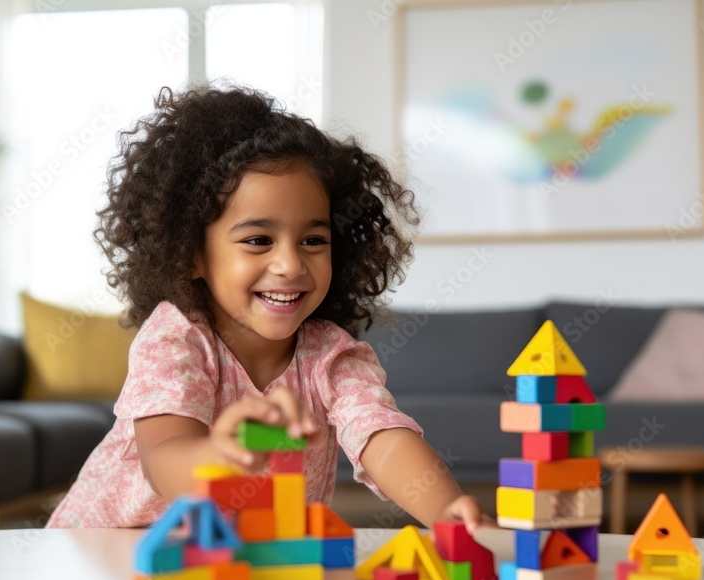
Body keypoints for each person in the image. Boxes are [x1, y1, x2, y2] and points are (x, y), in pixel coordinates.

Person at [46, 84, 491, 534]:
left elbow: (382, 438)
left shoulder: (330, 356)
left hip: (243, 565)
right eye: (259, 240)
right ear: (192, 255)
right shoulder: (177, 338)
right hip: (111, 554)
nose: (290, 264)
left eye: (313, 241)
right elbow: (165, 461)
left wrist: (447, 511)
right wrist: (221, 455)